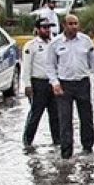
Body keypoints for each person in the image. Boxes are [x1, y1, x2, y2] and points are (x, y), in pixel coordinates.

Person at [47, 14, 94, 159]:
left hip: (82, 83)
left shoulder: (85, 41)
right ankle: (66, 153)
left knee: (86, 117)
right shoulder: (55, 43)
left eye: (76, 24)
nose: (74, 27)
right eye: (70, 24)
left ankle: (88, 149)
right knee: (65, 119)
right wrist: (54, 83)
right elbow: (50, 66)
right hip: (64, 85)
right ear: (64, 25)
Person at [21, 18, 60, 149]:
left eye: (49, 27)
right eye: (44, 27)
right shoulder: (31, 45)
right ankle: (27, 142)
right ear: (38, 29)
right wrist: (27, 85)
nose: (47, 30)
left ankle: (57, 142)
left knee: (55, 114)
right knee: (35, 114)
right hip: (38, 83)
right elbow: (26, 67)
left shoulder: (55, 42)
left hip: (53, 82)